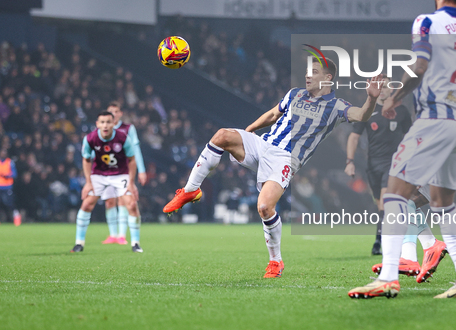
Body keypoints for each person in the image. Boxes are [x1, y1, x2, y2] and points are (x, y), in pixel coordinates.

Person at [349, 0, 456, 299]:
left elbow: (419, 67)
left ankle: (389, 276)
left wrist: (394, 97)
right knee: (442, 204)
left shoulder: (427, 22)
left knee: (394, 192)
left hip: (433, 119)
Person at [163, 57, 383, 278]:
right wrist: (249, 130)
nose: (307, 75)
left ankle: (275, 261)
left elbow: (362, 114)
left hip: (285, 160)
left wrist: (371, 99)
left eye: (314, 72)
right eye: (308, 71)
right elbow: (272, 115)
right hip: (263, 145)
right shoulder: (294, 94)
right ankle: (191, 190)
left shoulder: (336, 106)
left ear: (328, 78)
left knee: (265, 208)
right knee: (221, 136)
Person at [371, 78, 456, 280]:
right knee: (414, 203)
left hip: (447, 162)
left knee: (400, 197)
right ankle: (430, 248)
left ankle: (411, 258)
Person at [344, 82, 412, 256]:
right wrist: (349, 161)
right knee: (381, 206)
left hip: (394, 164)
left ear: (392, 89)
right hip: (373, 165)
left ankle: (383, 244)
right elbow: (354, 137)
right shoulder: (367, 111)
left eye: (386, 87)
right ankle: (380, 239)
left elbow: (410, 137)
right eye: (380, 87)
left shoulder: (402, 111)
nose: (383, 90)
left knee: (386, 204)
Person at [71, 111, 142, 253]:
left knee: (132, 204)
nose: (105, 125)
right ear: (97, 124)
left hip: (120, 174)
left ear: (113, 124)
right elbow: (86, 160)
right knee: (86, 204)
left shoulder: (122, 138)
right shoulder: (90, 138)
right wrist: (88, 182)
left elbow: (132, 160)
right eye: (102, 122)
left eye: (108, 122)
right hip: (99, 175)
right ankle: (79, 243)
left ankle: (135, 243)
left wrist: (131, 182)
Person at [100, 101, 147, 245]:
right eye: (110, 111)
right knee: (109, 202)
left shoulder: (128, 128)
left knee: (122, 200)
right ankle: (112, 235)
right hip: (107, 171)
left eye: (116, 111)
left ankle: (121, 235)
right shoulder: (103, 129)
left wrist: (142, 170)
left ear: (120, 113)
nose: (113, 114)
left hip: (124, 170)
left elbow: (136, 149)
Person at [0, 148, 20, 226]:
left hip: (7, 186)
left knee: (10, 203)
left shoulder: (9, 162)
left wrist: (7, 175)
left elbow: (14, 174)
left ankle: (16, 216)